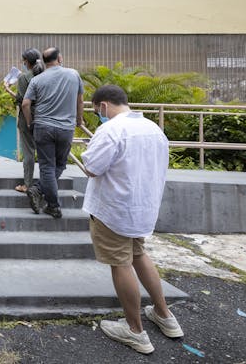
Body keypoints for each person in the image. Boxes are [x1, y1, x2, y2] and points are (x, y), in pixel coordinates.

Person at [82, 84, 183, 354]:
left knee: (120, 264)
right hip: (142, 209)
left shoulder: (111, 129)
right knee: (139, 255)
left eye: (97, 111)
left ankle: (135, 330)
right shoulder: (154, 129)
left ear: (103, 106)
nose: (99, 116)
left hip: (113, 210)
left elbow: (92, 168)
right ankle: (164, 315)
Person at [21, 47, 83, 218]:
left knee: (47, 167)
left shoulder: (37, 80)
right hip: (66, 128)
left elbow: (26, 104)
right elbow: (80, 100)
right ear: (60, 58)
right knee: (59, 165)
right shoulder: (73, 75)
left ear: (44, 61)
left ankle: (45, 197)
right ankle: (47, 200)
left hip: (42, 127)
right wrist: (79, 120)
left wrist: (29, 123)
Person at [3, 48, 44, 194]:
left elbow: (22, 101)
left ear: (26, 61)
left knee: (28, 152)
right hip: (45, 118)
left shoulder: (24, 78)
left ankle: (27, 184)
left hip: (29, 118)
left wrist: (8, 90)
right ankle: (48, 185)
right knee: (45, 152)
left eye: (23, 60)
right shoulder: (45, 75)